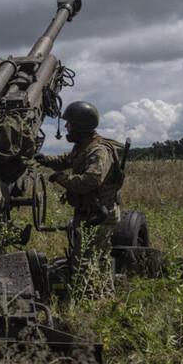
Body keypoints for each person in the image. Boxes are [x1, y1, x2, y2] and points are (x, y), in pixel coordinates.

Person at [35, 101, 124, 278]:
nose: (66, 126)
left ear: (80, 126)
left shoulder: (98, 150)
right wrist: (46, 160)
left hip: (99, 215)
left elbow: (90, 182)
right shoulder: (84, 145)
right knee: (83, 260)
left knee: (90, 263)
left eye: (69, 123)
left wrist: (61, 178)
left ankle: (98, 297)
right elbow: (67, 159)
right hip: (87, 213)